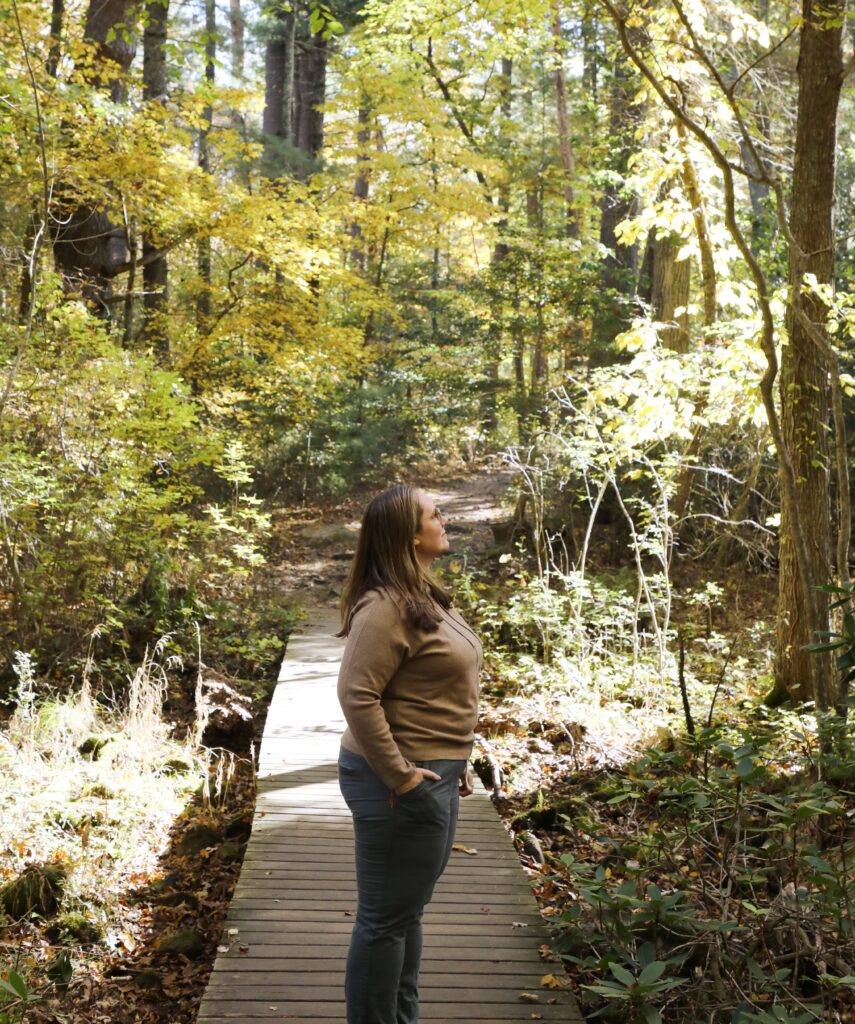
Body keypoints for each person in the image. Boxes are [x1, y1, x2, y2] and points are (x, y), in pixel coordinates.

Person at [336, 483, 483, 1024]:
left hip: (434, 772)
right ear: (408, 534)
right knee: (384, 920)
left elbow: (433, 689)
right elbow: (357, 694)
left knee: (404, 913)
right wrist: (400, 777)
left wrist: (458, 754)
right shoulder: (384, 607)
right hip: (397, 782)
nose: (444, 520)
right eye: (434, 514)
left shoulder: (419, 594)